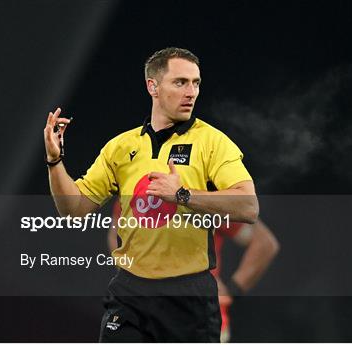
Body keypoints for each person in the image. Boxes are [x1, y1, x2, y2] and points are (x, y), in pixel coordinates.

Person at [43, 47, 259, 342]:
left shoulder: (212, 142)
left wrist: (182, 195)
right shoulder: (120, 146)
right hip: (130, 292)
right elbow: (74, 209)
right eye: (180, 82)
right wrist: (55, 162)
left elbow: (248, 206)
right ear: (152, 86)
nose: (191, 92)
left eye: (196, 83)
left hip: (189, 295)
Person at [107, 203, 279, 343]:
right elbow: (116, 233)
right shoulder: (138, 189)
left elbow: (264, 243)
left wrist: (230, 291)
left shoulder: (209, 198)